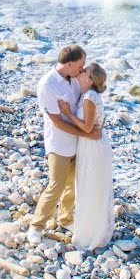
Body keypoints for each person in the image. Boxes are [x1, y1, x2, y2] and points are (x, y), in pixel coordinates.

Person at [28, 45, 101, 245]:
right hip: (58, 143)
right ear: (69, 64)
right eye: (80, 65)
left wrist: (92, 130)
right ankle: (36, 225)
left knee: (72, 184)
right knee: (56, 184)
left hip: (78, 143)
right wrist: (88, 133)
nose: (82, 69)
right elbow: (58, 122)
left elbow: (88, 100)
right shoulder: (48, 85)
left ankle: (66, 219)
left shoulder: (75, 79)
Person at [58, 62, 114, 250]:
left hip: (93, 147)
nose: (81, 71)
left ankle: (91, 231)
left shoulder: (89, 97)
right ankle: (89, 225)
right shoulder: (89, 95)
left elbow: (88, 127)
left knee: (90, 186)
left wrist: (67, 113)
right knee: (89, 185)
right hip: (92, 143)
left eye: (85, 71)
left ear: (90, 80)